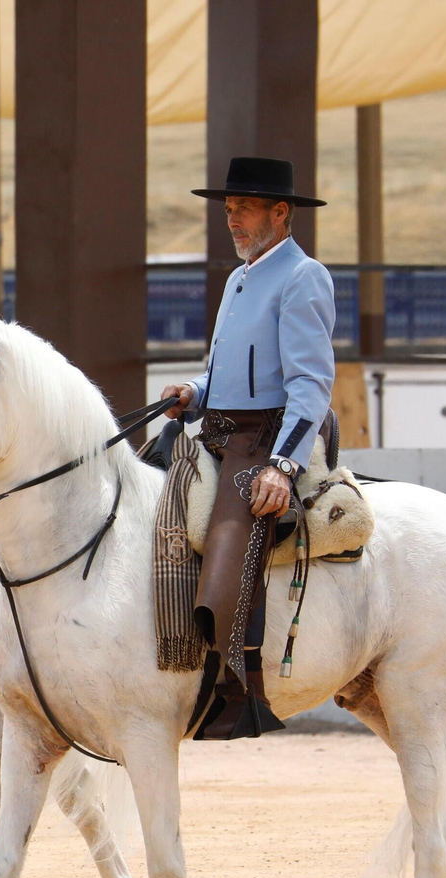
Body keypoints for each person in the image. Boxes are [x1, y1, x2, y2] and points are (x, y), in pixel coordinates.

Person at [160, 156, 336, 741]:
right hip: (217, 425)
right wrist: (194, 390)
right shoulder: (240, 279)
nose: (231, 220)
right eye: (228, 209)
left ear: (280, 213)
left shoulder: (302, 276)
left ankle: (235, 682)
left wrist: (284, 466)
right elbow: (229, 375)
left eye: (244, 209)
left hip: (268, 435)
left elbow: (309, 385)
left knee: (229, 530)